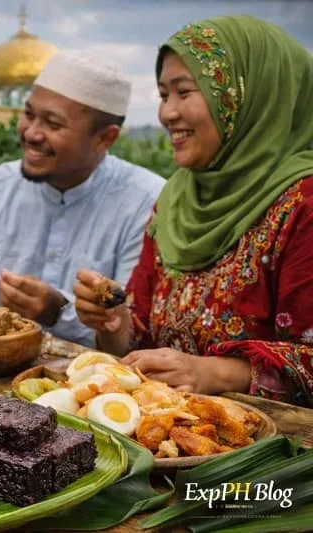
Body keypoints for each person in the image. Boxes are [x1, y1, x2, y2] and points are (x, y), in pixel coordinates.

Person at [74, 15, 313, 407]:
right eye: (163, 95)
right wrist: (112, 322)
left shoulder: (302, 204)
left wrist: (215, 372)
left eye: (184, 92)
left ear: (247, 96)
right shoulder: (177, 199)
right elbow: (139, 335)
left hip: (265, 457)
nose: (167, 113)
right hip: (169, 437)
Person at [0, 50, 166, 347]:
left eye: (52, 124)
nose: (31, 133)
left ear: (105, 138)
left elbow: (134, 337)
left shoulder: (146, 204)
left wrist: (59, 313)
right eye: (29, 115)